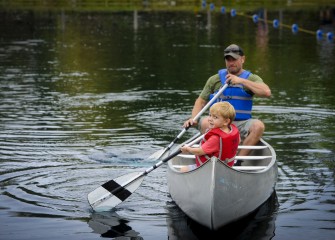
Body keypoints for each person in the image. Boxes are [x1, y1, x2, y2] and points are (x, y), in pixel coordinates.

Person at [183, 44, 271, 158]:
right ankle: (209, 157)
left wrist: (241, 81)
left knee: (258, 126)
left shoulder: (251, 78)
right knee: (205, 122)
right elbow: (200, 101)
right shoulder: (214, 79)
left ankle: (239, 159)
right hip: (217, 122)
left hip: (241, 123)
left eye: (234, 59)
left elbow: (266, 92)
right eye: (228, 59)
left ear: (243, 59)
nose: (231, 62)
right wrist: (193, 118)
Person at [180, 102, 240, 170]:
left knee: (183, 169)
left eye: (215, 117)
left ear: (226, 122)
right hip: (226, 167)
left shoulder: (215, 138)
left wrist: (188, 149)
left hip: (210, 169)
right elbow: (239, 140)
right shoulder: (231, 130)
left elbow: (199, 152)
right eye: (210, 115)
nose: (210, 119)